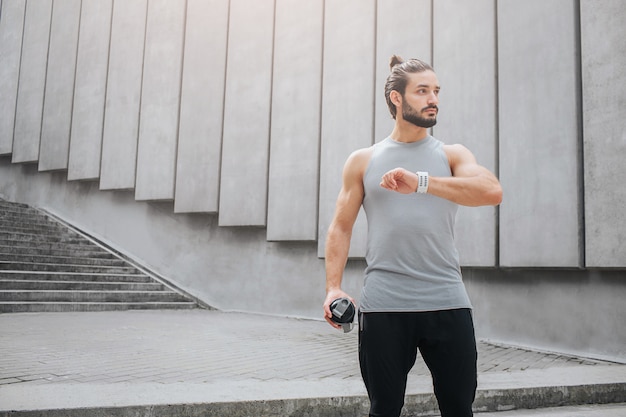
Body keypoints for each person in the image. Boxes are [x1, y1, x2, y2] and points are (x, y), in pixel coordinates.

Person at [323, 55, 503, 417]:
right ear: (396, 98)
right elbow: (341, 226)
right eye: (422, 91)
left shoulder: (452, 154)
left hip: (448, 302)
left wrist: (421, 182)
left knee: (458, 408)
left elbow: (490, 191)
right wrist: (333, 287)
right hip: (385, 306)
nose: (433, 98)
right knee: (384, 408)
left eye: (435, 91)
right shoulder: (363, 159)